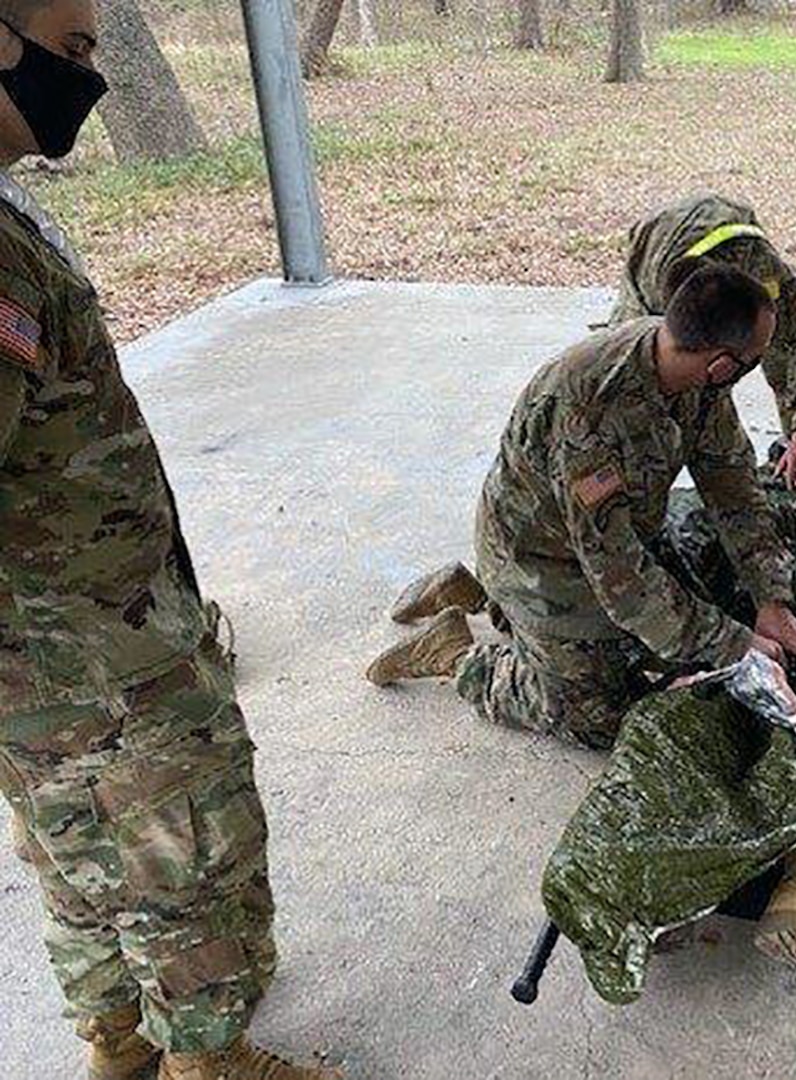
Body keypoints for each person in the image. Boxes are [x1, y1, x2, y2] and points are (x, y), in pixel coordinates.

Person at [369, 264, 796, 959]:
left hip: (618, 542)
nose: (751, 373)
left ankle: (478, 605)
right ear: (720, 362)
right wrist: (730, 641)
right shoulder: (587, 409)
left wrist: (769, 601)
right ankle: (464, 656)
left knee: (707, 659)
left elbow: (733, 488)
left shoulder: (692, 380)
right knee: (597, 716)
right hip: (545, 568)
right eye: (751, 363)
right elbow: (621, 587)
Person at [0, 4, 339, 1077]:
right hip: (98, 652)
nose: (87, 80)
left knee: (77, 848)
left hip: (40, 660)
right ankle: (208, 1058)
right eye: (73, 51)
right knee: (183, 844)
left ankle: (120, 1040)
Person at [606, 192, 796, 491]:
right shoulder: (647, 317)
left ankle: (794, 459)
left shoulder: (760, 270)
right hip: (658, 246)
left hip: (727, 237)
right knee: (652, 397)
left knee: (772, 345)